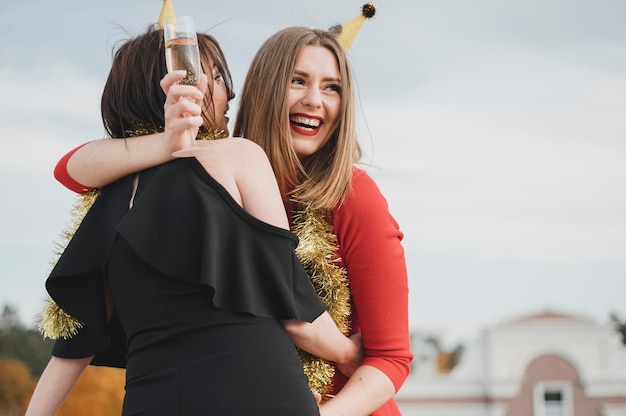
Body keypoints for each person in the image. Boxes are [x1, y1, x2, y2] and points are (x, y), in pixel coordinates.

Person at [52, 22, 413, 416]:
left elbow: (390, 358)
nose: (314, 100)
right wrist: (168, 142)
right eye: (298, 81)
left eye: (332, 87)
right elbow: (71, 170)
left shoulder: (353, 196)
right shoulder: (220, 176)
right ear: (264, 89)